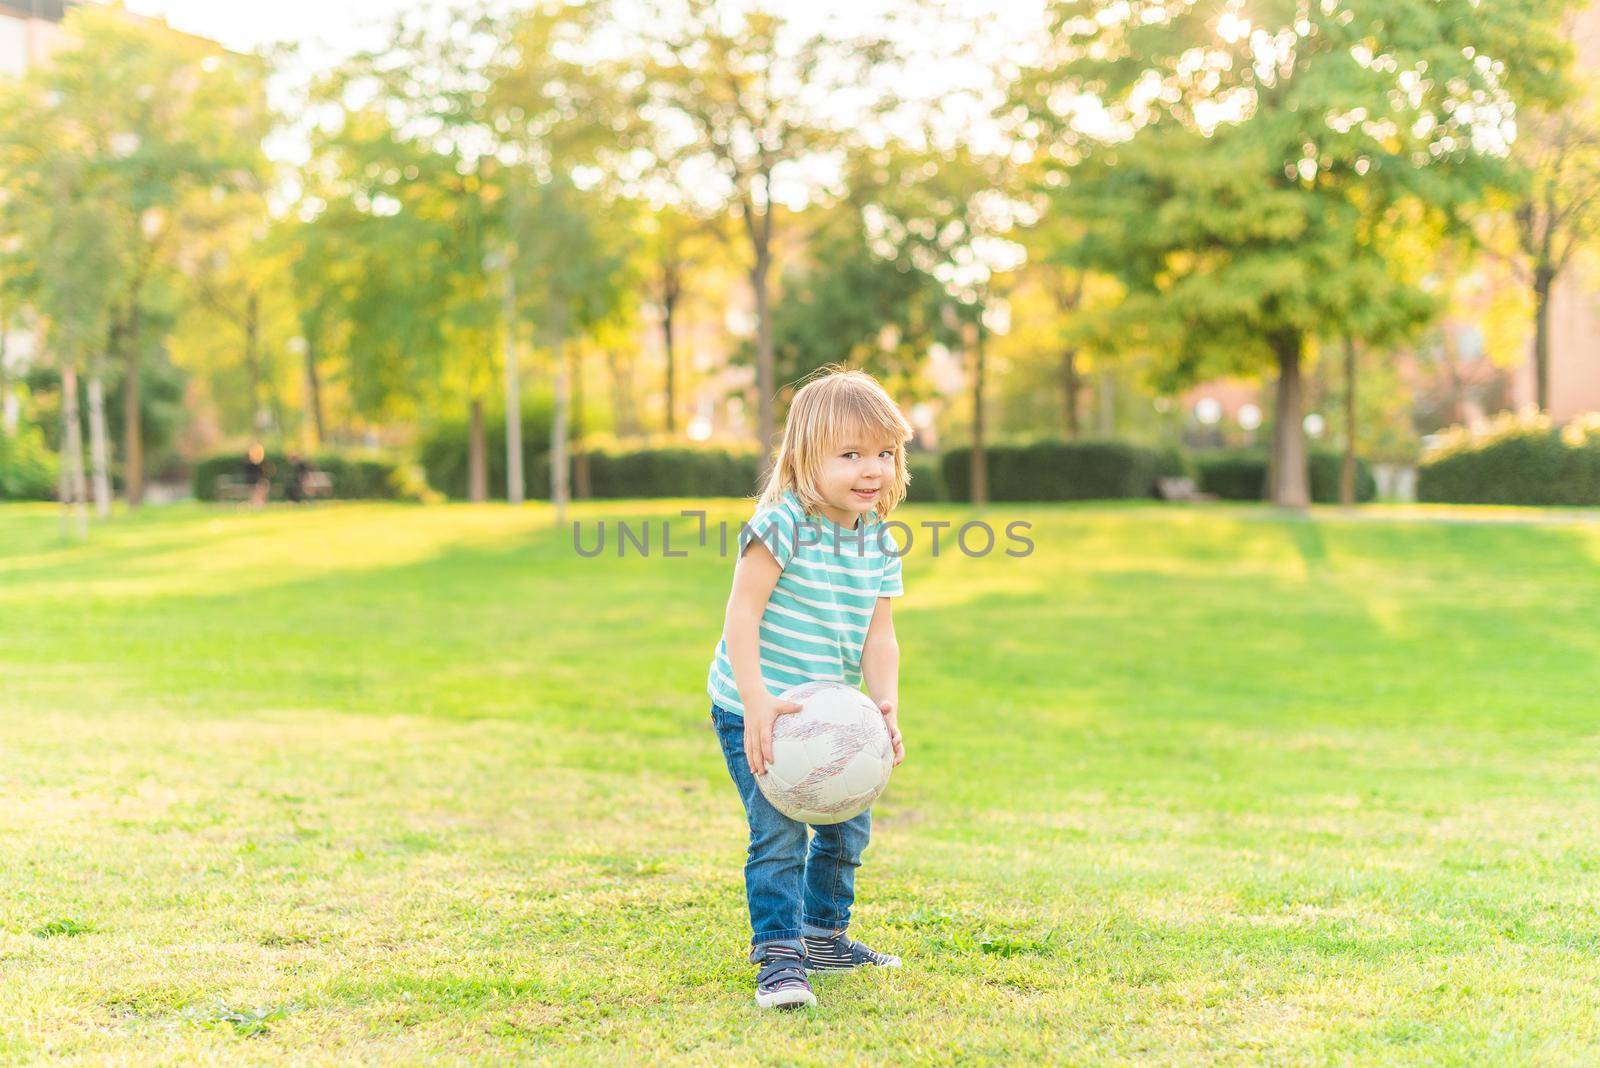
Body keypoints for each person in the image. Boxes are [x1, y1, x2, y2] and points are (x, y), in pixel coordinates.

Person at [706, 367, 912, 1010]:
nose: (870, 469)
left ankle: (823, 936)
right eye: (849, 454)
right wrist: (759, 701)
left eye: (883, 452)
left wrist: (884, 704)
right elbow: (741, 617)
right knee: (778, 834)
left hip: (830, 716)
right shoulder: (782, 523)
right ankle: (779, 956)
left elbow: (880, 637)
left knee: (847, 830)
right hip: (758, 705)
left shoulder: (878, 539)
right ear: (805, 457)